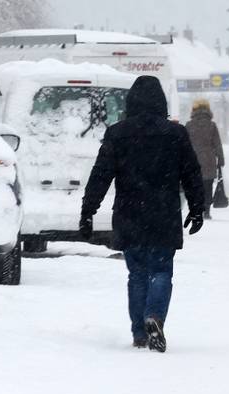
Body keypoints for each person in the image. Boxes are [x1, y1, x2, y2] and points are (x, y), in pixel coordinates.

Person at [80, 76, 204, 353]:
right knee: (161, 270)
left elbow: (100, 175)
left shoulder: (117, 133)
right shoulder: (175, 134)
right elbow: (192, 174)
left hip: (129, 213)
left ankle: (139, 332)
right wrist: (197, 209)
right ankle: (154, 316)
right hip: (164, 213)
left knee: (137, 274)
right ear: (161, 101)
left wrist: (88, 211)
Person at [185, 99, 225, 219]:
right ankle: (206, 211)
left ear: (193, 110)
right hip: (209, 160)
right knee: (207, 186)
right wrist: (221, 160)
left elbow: (184, 144)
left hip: (192, 162)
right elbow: (217, 144)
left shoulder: (188, 125)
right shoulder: (212, 125)